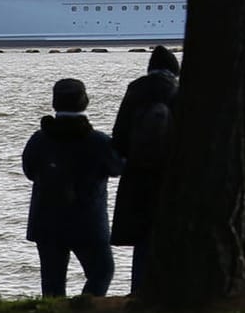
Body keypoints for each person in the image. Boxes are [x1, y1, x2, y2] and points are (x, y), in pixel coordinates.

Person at [22, 77, 123, 298]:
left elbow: (29, 171)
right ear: (85, 101)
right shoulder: (97, 141)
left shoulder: (39, 139)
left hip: (46, 220)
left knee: (52, 281)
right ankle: (86, 308)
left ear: (54, 102)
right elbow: (117, 168)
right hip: (87, 221)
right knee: (101, 271)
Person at [110, 45, 179, 293]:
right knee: (172, 237)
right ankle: (169, 291)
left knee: (143, 240)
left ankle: (139, 292)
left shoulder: (134, 90)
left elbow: (118, 136)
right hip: (170, 177)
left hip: (137, 176)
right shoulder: (178, 91)